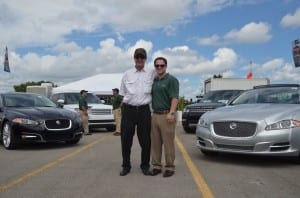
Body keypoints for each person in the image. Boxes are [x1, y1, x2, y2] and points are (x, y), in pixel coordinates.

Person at [119, 48, 156, 176]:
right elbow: (123, 93)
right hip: (128, 110)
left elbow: (161, 81)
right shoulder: (127, 74)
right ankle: (126, 166)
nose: (139, 59)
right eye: (137, 57)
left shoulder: (152, 73)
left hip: (144, 111)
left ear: (145, 59)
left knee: (145, 141)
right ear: (134, 59)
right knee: (125, 140)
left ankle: (145, 166)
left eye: (142, 57)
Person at [150, 57, 179, 177]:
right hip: (155, 115)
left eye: (162, 65)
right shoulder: (155, 81)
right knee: (155, 143)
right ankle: (156, 166)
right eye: (157, 65)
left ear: (166, 66)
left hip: (167, 115)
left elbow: (175, 97)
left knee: (168, 143)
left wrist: (171, 112)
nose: (159, 67)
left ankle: (169, 167)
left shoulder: (171, 80)